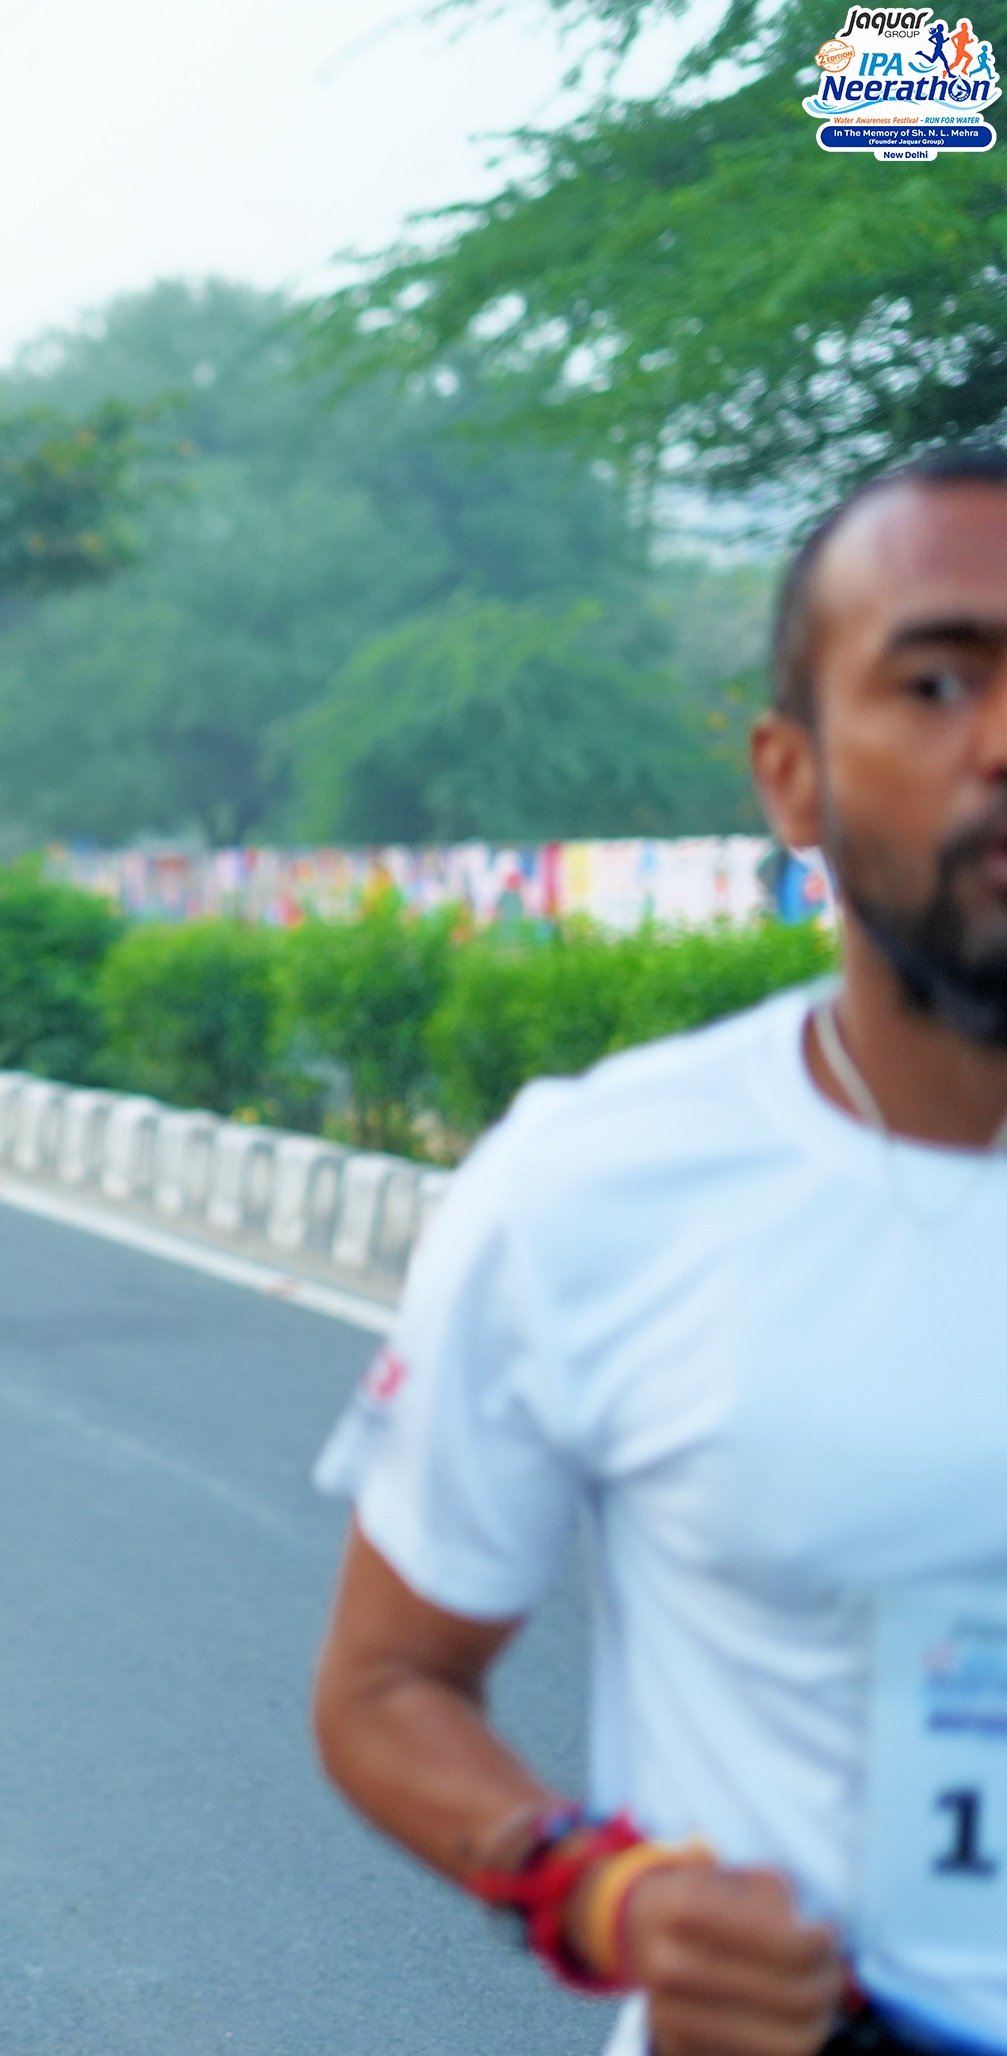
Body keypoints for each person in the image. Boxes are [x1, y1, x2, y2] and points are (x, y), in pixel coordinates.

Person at [310, 446, 1007, 2056]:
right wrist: (598, 1890)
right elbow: (386, 1686)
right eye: (936, 681)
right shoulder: (600, 1185)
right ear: (792, 775)